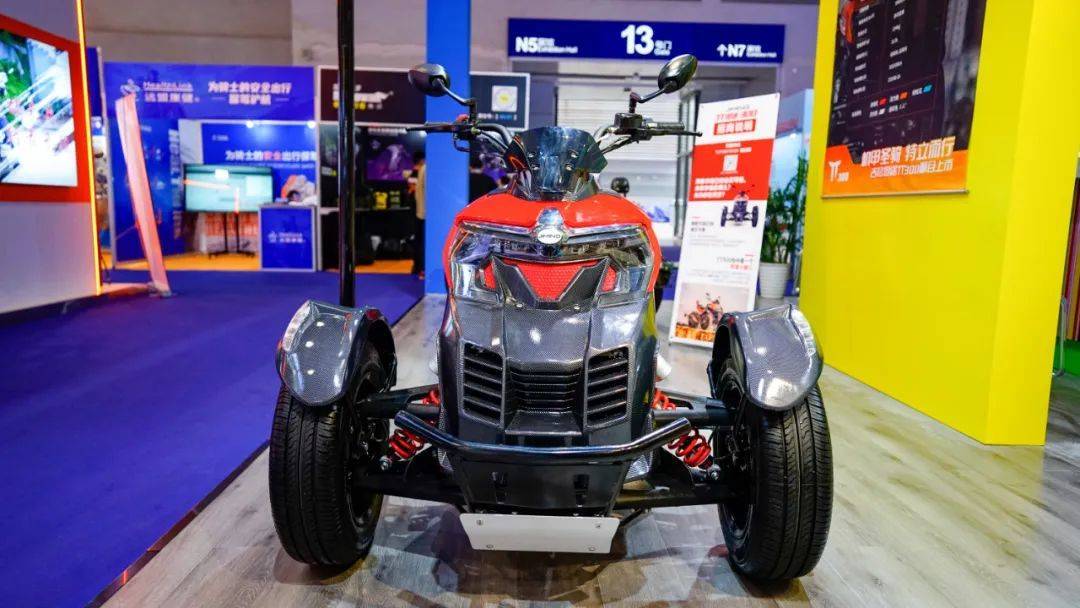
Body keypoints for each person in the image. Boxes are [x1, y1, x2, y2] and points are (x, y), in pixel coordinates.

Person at [409, 151, 426, 277]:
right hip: (420, 210)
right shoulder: (420, 171)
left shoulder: (416, 172)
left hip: (418, 210)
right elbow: (412, 189)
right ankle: (418, 267)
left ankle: (417, 267)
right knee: (420, 239)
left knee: (418, 239)